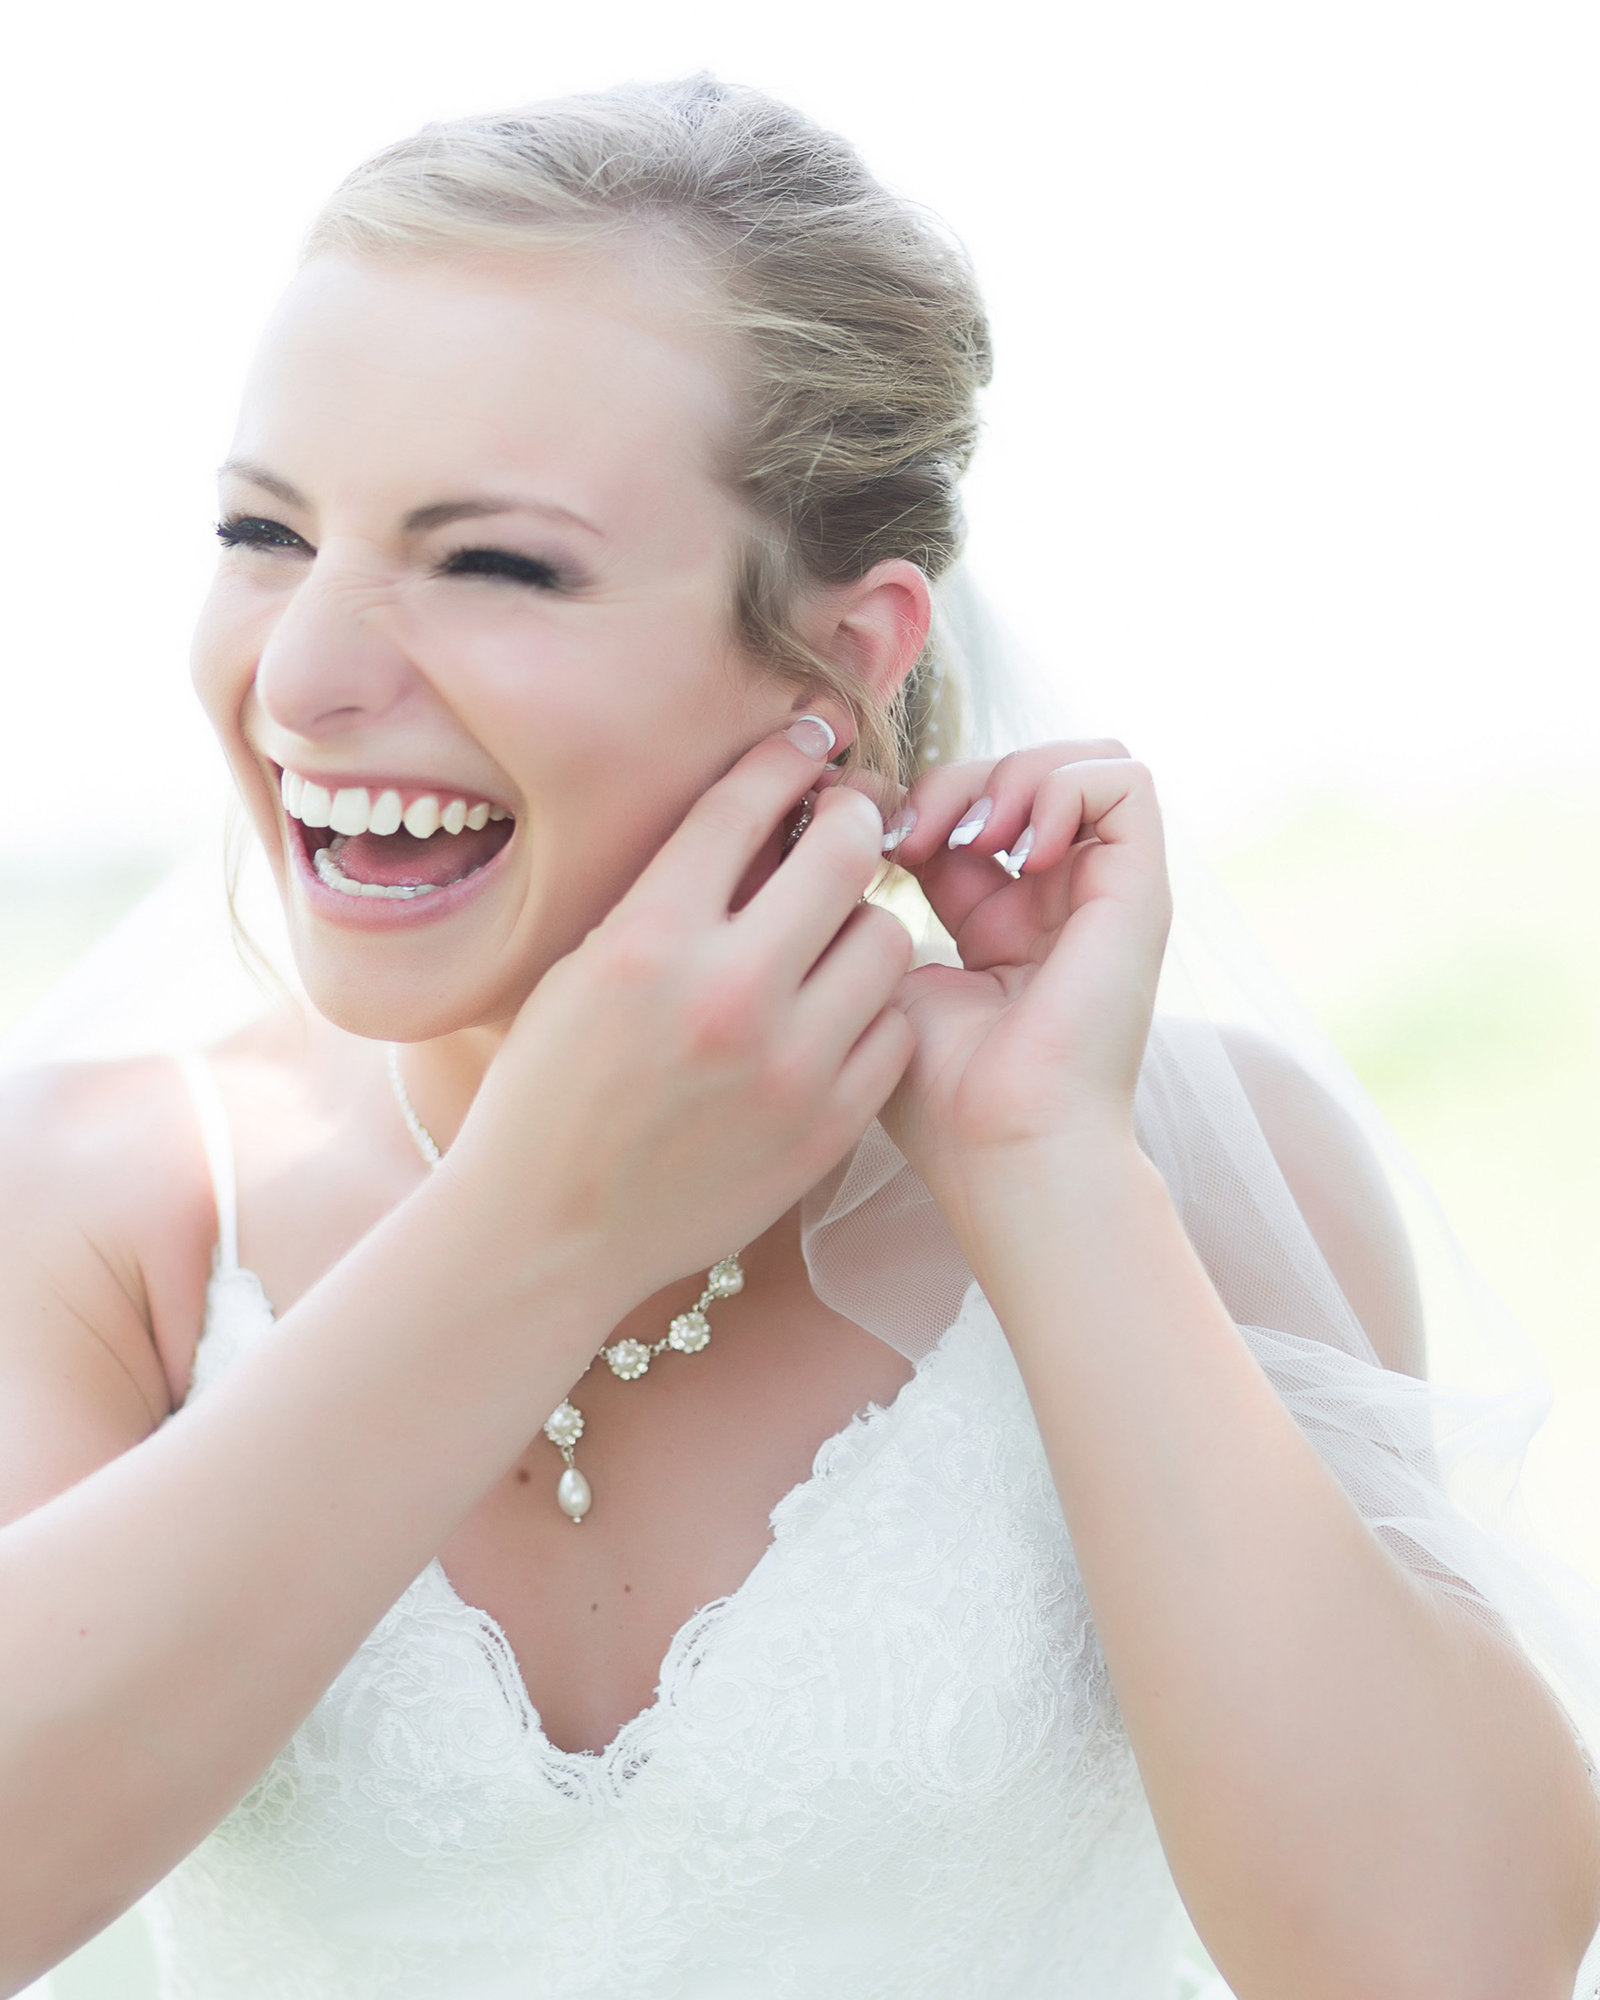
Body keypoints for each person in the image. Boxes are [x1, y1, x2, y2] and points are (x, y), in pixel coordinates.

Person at [1, 74, 1597, 2000]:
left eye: (494, 562)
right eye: (265, 533)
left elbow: (1443, 1967)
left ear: (848, 655)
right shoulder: (105, 1205)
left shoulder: (1173, 1167)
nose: (308, 679)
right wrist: (541, 1221)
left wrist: (1041, 1167)